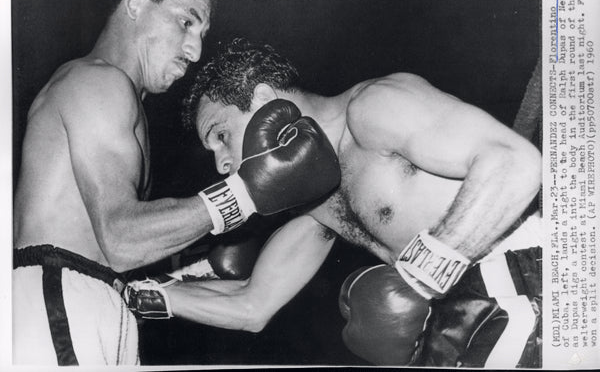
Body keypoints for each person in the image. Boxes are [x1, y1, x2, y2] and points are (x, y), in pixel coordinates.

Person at [12, 0, 340, 366]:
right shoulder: (98, 83)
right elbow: (120, 238)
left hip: (84, 298)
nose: (195, 50)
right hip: (60, 299)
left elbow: (103, 251)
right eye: (186, 21)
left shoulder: (116, 97)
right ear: (135, 2)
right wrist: (245, 193)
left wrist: (182, 278)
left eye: (201, 33)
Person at [126, 38, 543, 366]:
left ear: (264, 100)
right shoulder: (312, 201)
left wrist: (420, 277)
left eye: (220, 136)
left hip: (526, 273)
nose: (222, 163)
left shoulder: (372, 109)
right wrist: (145, 295)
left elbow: (515, 163)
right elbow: (253, 305)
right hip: (455, 311)